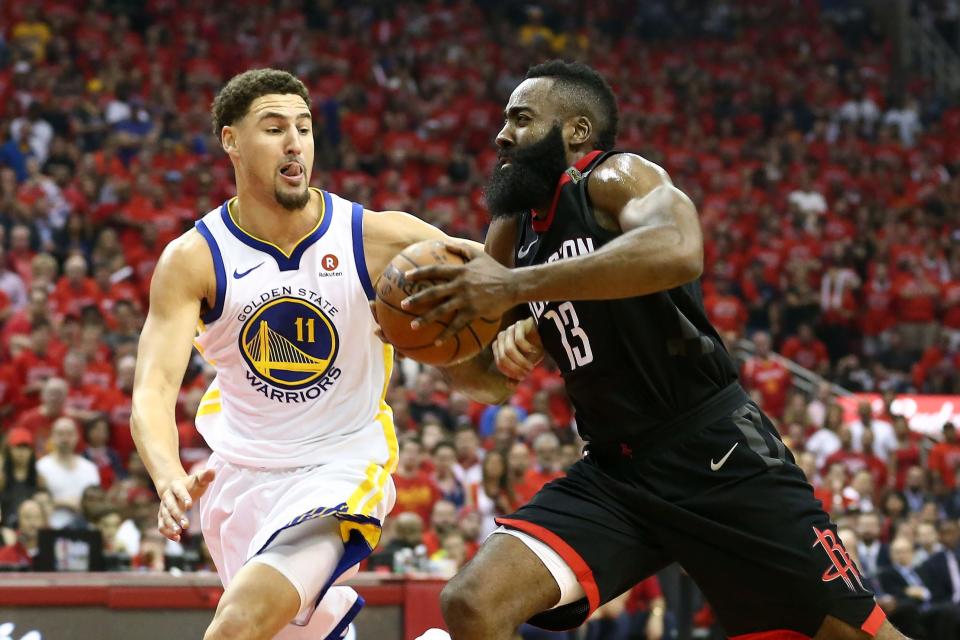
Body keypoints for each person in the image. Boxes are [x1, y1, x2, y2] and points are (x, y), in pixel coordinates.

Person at [402, 61, 902, 639]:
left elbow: (679, 248)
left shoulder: (618, 178)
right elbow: (485, 382)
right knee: (471, 603)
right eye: (504, 121)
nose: (501, 135)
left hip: (717, 454)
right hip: (616, 473)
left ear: (577, 132)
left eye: (521, 118)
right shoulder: (512, 232)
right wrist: (431, 338)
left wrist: (519, 290)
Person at [129, 68, 505, 640]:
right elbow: (152, 391)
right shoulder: (194, 259)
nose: (294, 142)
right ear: (230, 141)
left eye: (303, 128)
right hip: (239, 478)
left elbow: (501, 277)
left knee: (235, 629)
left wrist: (524, 327)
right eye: (274, 128)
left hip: (341, 466)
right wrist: (166, 475)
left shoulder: (377, 238)